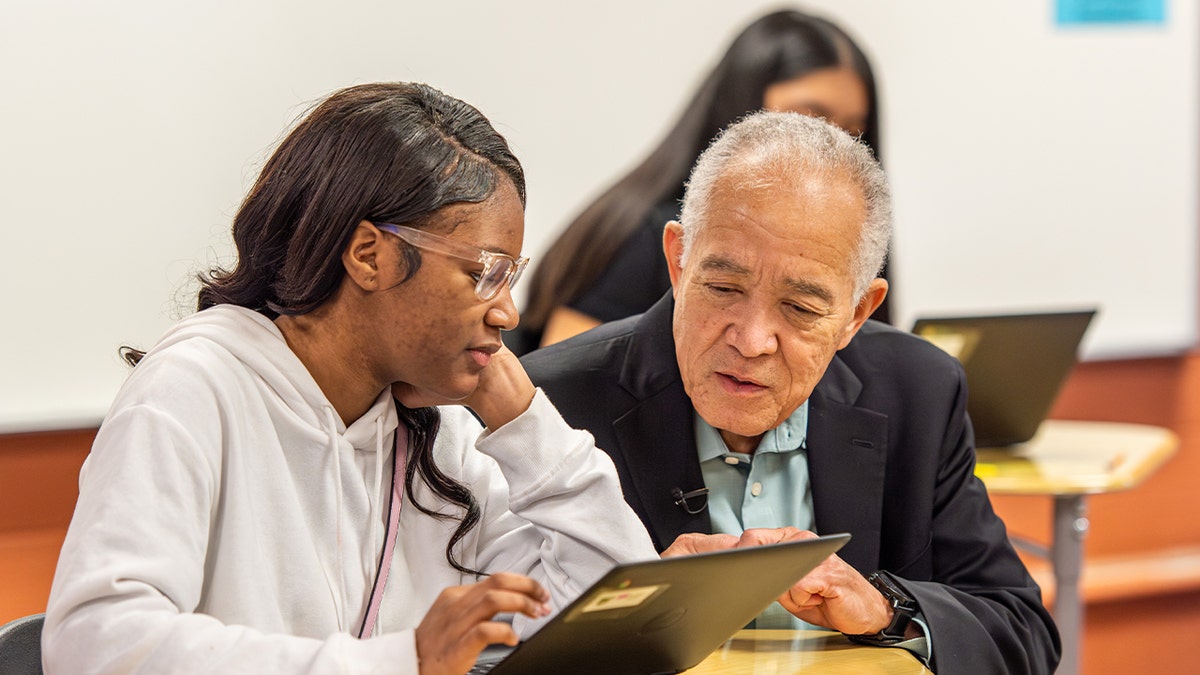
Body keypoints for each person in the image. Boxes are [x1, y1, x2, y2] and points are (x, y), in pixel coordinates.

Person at [42, 82, 659, 675]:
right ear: (369, 255)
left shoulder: (431, 428)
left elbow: (614, 626)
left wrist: (524, 422)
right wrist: (400, 662)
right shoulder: (195, 387)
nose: (507, 313)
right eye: (482, 274)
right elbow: (94, 646)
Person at [521, 111, 1060, 674]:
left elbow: (1020, 634)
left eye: (800, 309)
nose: (751, 341)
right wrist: (625, 616)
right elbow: (481, 650)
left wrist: (887, 610)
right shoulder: (548, 407)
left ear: (857, 314)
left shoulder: (917, 393)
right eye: (723, 287)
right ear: (679, 262)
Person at [511, 7, 889, 354]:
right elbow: (564, 393)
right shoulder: (639, 239)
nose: (830, 147)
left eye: (852, 132)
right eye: (807, 120)